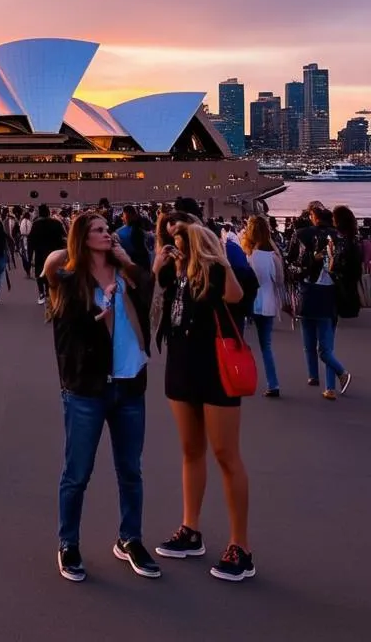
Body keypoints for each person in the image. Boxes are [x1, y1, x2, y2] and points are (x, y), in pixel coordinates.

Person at [44, 213, 159, 582]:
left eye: (108, 229)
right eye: (98, 230)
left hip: (129, 384)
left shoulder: (127, 275)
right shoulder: (69, 280)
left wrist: (126, 261)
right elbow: (65, 331)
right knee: (77, 473)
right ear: (82, 238)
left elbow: (151, 285)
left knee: (131, 471)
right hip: (87, 388)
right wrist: (99, 310)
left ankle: (130, 539)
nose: (107, 234)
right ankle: (69, 543)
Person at [155, 222, 253, 582]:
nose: (176, 247)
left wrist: (213, 252)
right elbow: (154, 308)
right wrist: (161, 260)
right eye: (171, 241)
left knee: (226, 454)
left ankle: (240, 546)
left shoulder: (216, 271)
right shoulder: (171, 273)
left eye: (181, 241)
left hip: (216, 369)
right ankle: (190, 529)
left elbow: (235, 295)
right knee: (190, 450)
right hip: (180, 367)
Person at [288, 206, 353, 399]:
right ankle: (330, 387)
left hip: (307, 291)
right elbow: (346, 267)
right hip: (330, 293)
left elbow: (292, 264)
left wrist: (306, 265)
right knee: (326, 345)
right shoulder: (340, 237)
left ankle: (319, 375)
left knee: (309, 338)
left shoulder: (300, 234)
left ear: (312, 217)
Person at [241, 216, 284, 398]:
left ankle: (241, 378)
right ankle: (273, 383)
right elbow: (280, 282)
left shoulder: (250, 256)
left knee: (241, 342)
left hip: (251, 303)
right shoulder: (273, 257)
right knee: (266, 346)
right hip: (269, 304)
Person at [28, 204, 67, 306]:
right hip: (54, 253)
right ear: (48, 212)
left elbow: (31, 241)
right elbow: (64, 237)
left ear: (39, 213)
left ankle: (41, 293)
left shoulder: (36, 225)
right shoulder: (56, 223)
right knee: (53, 272)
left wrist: (29, 256)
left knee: (40, 273)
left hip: (40, 253)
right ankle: (50, 293)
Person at [332, 205, 363, 322]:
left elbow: (342, 267)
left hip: (342, 290)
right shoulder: (353, 241)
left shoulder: (345, 244)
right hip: (348, 288)